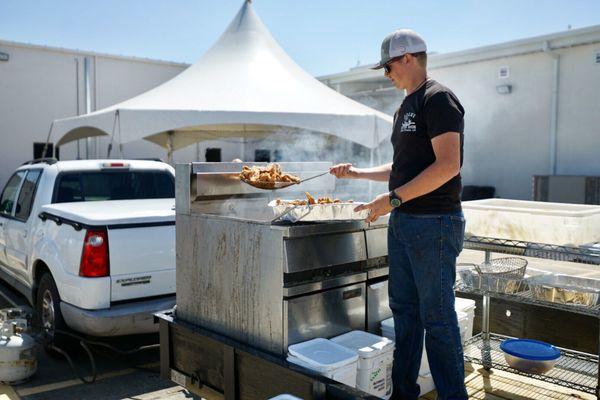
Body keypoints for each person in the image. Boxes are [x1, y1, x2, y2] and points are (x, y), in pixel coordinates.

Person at [330, 29, 467, 400]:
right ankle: (403, 394)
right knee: (404, 314)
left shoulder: (438, 99)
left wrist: (390, 201)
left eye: (388, 67)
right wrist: (357, 173)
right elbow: (403, 167)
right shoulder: (404, 106)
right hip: (406, 222)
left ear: (408, 59)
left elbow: (448, 165)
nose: (386, 75)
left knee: (437, 320)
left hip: (434, 224)